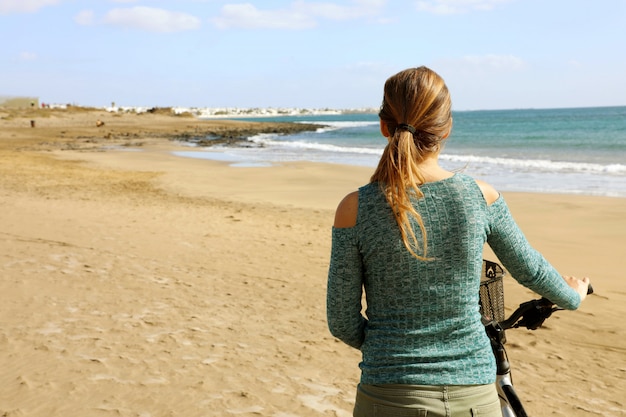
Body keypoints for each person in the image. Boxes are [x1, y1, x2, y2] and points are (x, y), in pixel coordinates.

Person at [326, 66, 590, 417]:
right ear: (446, 128)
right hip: (474, 396)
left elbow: (342, 322)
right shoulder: (480, 196)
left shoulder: (354, 208)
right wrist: (572, 295)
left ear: (384, 127)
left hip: (387, 396)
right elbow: (533, 271)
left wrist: (386, 347)